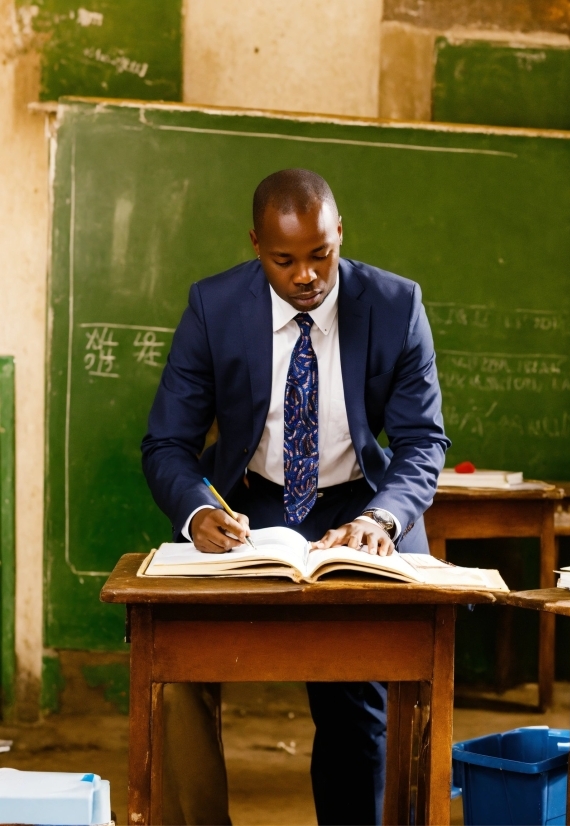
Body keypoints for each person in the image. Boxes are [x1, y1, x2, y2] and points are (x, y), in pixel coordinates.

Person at [142, 168, 450, 825]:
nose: (306, 275)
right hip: (250, 508)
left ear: (340, 233)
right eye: (285, 261)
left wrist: (384, 517)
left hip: (359, 504)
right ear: (256, 244)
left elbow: (423, 441)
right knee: (174, 671)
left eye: (321, 255)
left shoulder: (396, 305)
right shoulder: (213, 308)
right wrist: (198, 511)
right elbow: (167, 444)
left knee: (361, 698)